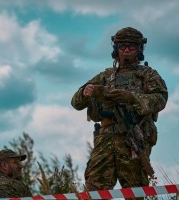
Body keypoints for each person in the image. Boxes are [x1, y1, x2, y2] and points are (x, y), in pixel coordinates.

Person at [71, 27, 168, 192]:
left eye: (132, 46)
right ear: (116, 49)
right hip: (105, 141)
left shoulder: (147, 75)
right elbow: (76, 102)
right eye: (122, 46)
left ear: (139, 49)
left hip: (133, 139)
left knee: (135, 191)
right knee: (94, 191)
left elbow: (160, 99)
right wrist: (86, 92)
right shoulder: (106, 76)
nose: (127, 50)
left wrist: (130, 98)